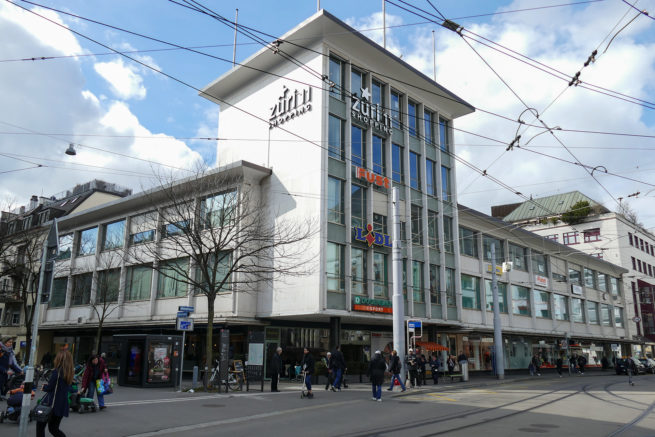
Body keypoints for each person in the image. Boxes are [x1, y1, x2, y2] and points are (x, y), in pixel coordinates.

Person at [37, 350, 74, 437]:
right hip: (62, 404)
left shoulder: (56, 372)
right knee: (54, 428)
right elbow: (68, 388)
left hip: (52, 404)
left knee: (40, 426)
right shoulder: (69, 372)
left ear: (59, 359)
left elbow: (50, 387)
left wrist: (43, 387)